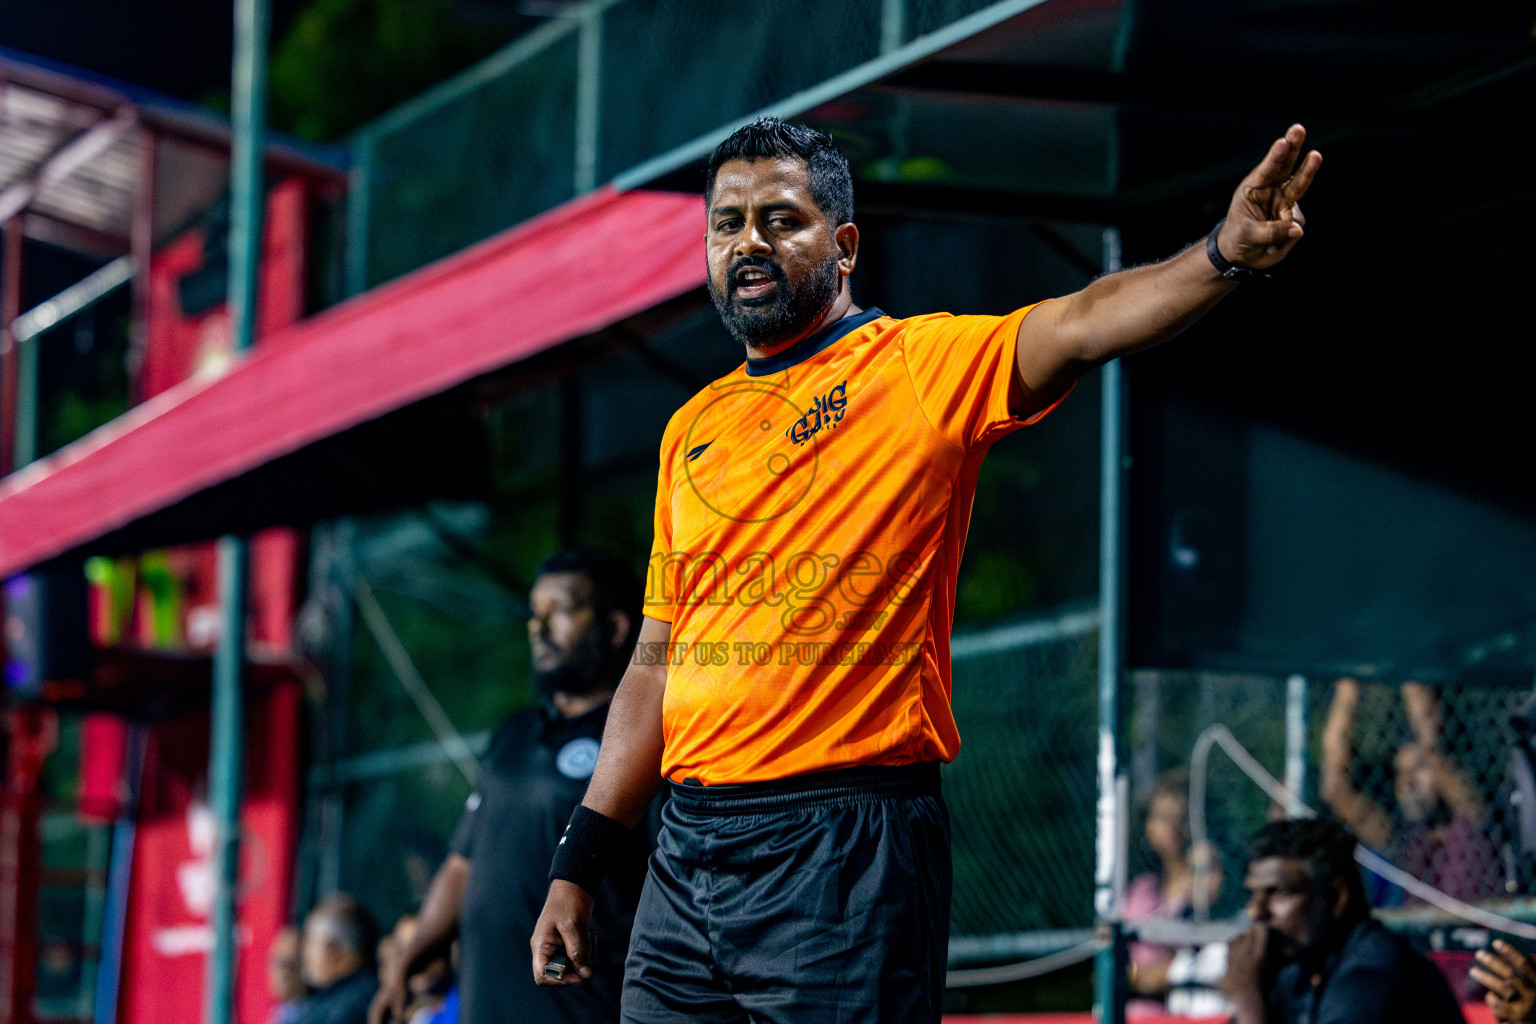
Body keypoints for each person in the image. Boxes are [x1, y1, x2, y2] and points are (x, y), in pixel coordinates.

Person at [531, 115, 1323, 1023]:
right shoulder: (692, 428)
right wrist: (578, 863)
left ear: (844, 244)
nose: (748, 241)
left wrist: (1222, 252)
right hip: (687, 850)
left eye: (781, 219)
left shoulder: (915, 366)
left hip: (842, 844)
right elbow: (655, 660)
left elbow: (1082, 323)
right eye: (727, 222)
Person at [372, 550, 654, 1024]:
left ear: (617, 626)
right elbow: (463, 863)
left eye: (559, 611)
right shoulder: (513, 734)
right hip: (485, 1004)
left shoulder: (638, 738)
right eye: (533, 612)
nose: (537, 628)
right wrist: (410, 956)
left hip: (584, 1006)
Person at [1221, 818, 1465, 1024]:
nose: (1256, 912)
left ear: (1337, 897)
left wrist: (1247, 997)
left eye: (1279, 893)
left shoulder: (1375, 974)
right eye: (1252, 895)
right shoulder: (1296, 971)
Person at [1321, 678, 1502, 903]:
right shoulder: (1402, 838)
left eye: (1419, 768)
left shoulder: (1472, 823)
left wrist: (1411, 672)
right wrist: (1347, 692)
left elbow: (1432, 747)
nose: (1408, 782)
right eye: (1401, 771)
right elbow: (1334, 789)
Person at [1124, 771, 1230, 1017]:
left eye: (1180, 816)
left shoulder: (1210, 878)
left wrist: (1205, 871)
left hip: (1186, 1013)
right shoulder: (1141, 890)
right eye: (1162, 816)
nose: (1171, 826)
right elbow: (1123, 969)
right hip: (1139, 1014)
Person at [297, 895, 381, 1024]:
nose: (305, 955)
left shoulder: (347, 1008)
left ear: (335, 950)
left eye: (311, 943)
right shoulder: (366, 992)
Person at [268, 924, 310, 1024]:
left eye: (290, 965)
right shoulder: (282, 1012)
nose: (283, 973)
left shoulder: (316, 1013)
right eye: (276, 962)